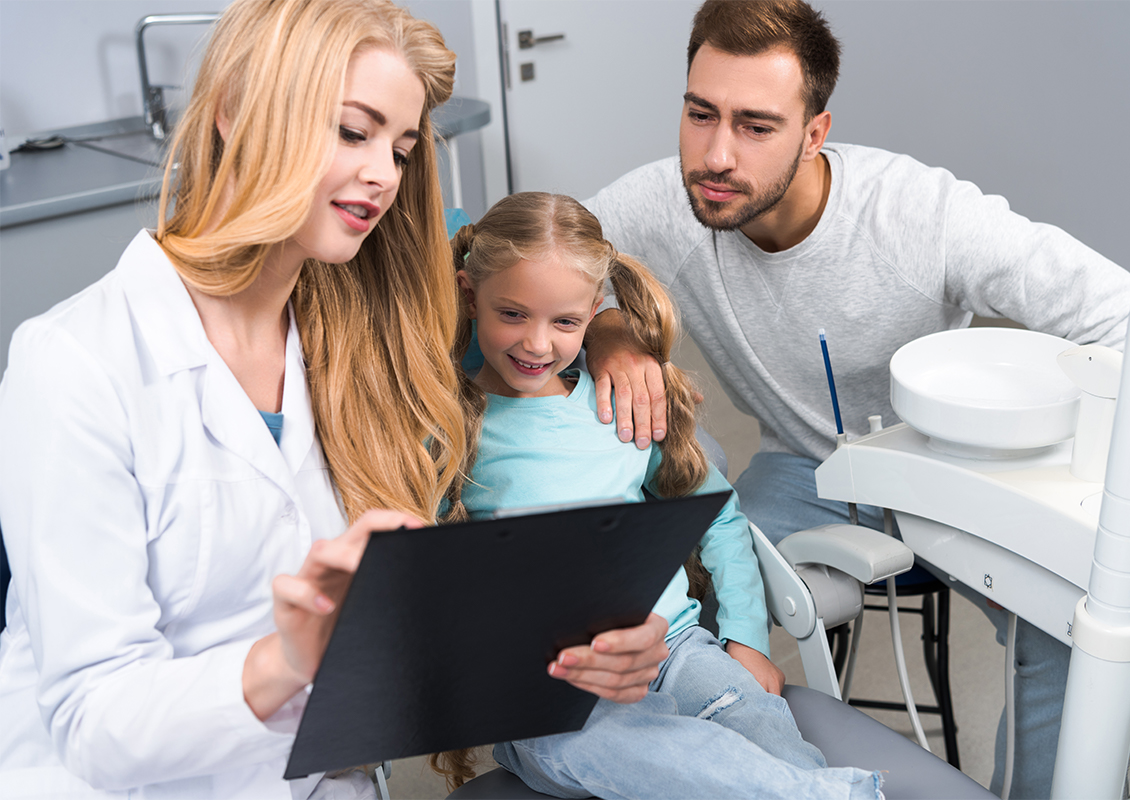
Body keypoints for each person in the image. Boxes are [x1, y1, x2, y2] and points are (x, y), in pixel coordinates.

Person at [0, 2, 666, 797]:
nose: (384, 173)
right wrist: (286, 659)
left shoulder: (361, 346)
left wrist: (588, 638)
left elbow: (539, 301)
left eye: (402, 147)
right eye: (354, 132)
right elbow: (91, 722)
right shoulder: (76, 362)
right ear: (235, 112)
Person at [581, 1, 1130, 797]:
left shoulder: (918, 214)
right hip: (805, 473)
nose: (716, 153)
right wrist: (606, 326)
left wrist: (1046, 435)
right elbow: (535, 256)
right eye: (700, 113)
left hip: (957, 480)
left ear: (815, 132)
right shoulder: (665, 202)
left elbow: (1127, 315)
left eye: (756, 125)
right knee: (678, 609)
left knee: (1073, 640)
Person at [437, 190, 882, 800]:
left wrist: (746, 638)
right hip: (549, 689)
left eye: (564, 322)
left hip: (673, 646)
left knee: (754, 719)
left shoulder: (620, 407)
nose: (537, 344)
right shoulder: (455, 429)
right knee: (595, 742)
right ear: (470, 295)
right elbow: (433, 581)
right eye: (512, 314)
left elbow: (718, 516)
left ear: (595, 312)